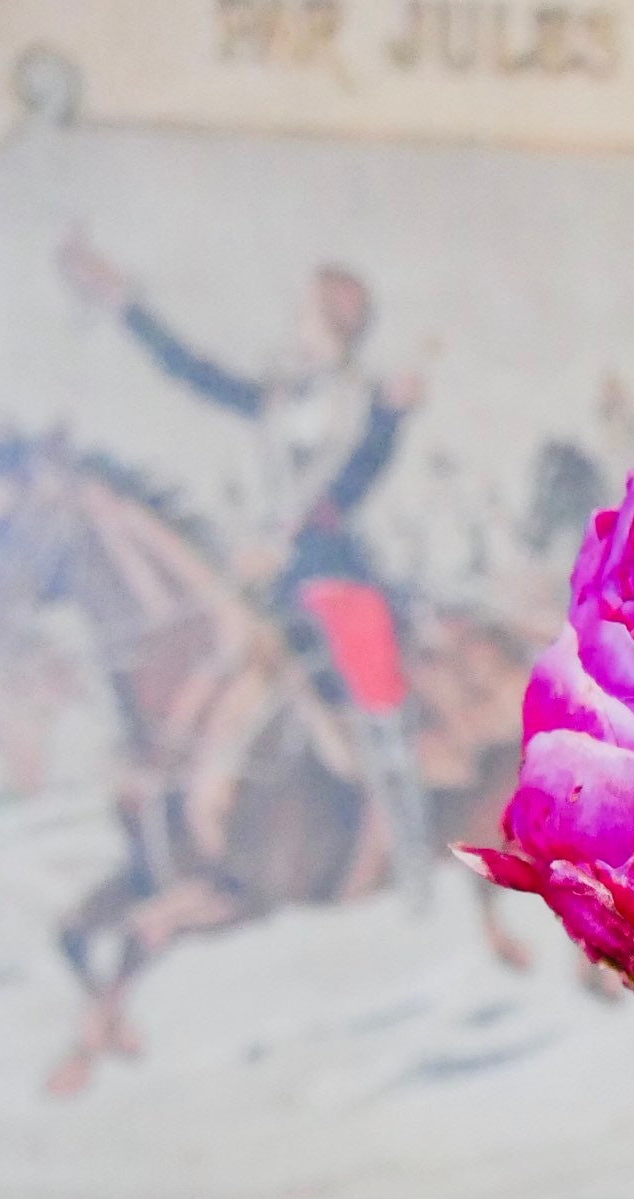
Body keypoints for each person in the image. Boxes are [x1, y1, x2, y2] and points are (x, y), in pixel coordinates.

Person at [57, 232, 434, 897]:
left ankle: (409, 845)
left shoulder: (365, 403)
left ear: (338, 328)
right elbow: (194, 371)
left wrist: (390, 421)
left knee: (375, 697)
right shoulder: (281, 397)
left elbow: (351, 484)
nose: (298, 327)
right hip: (270, 576)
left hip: (331, 571)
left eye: (309, 317)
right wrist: (125, 306)